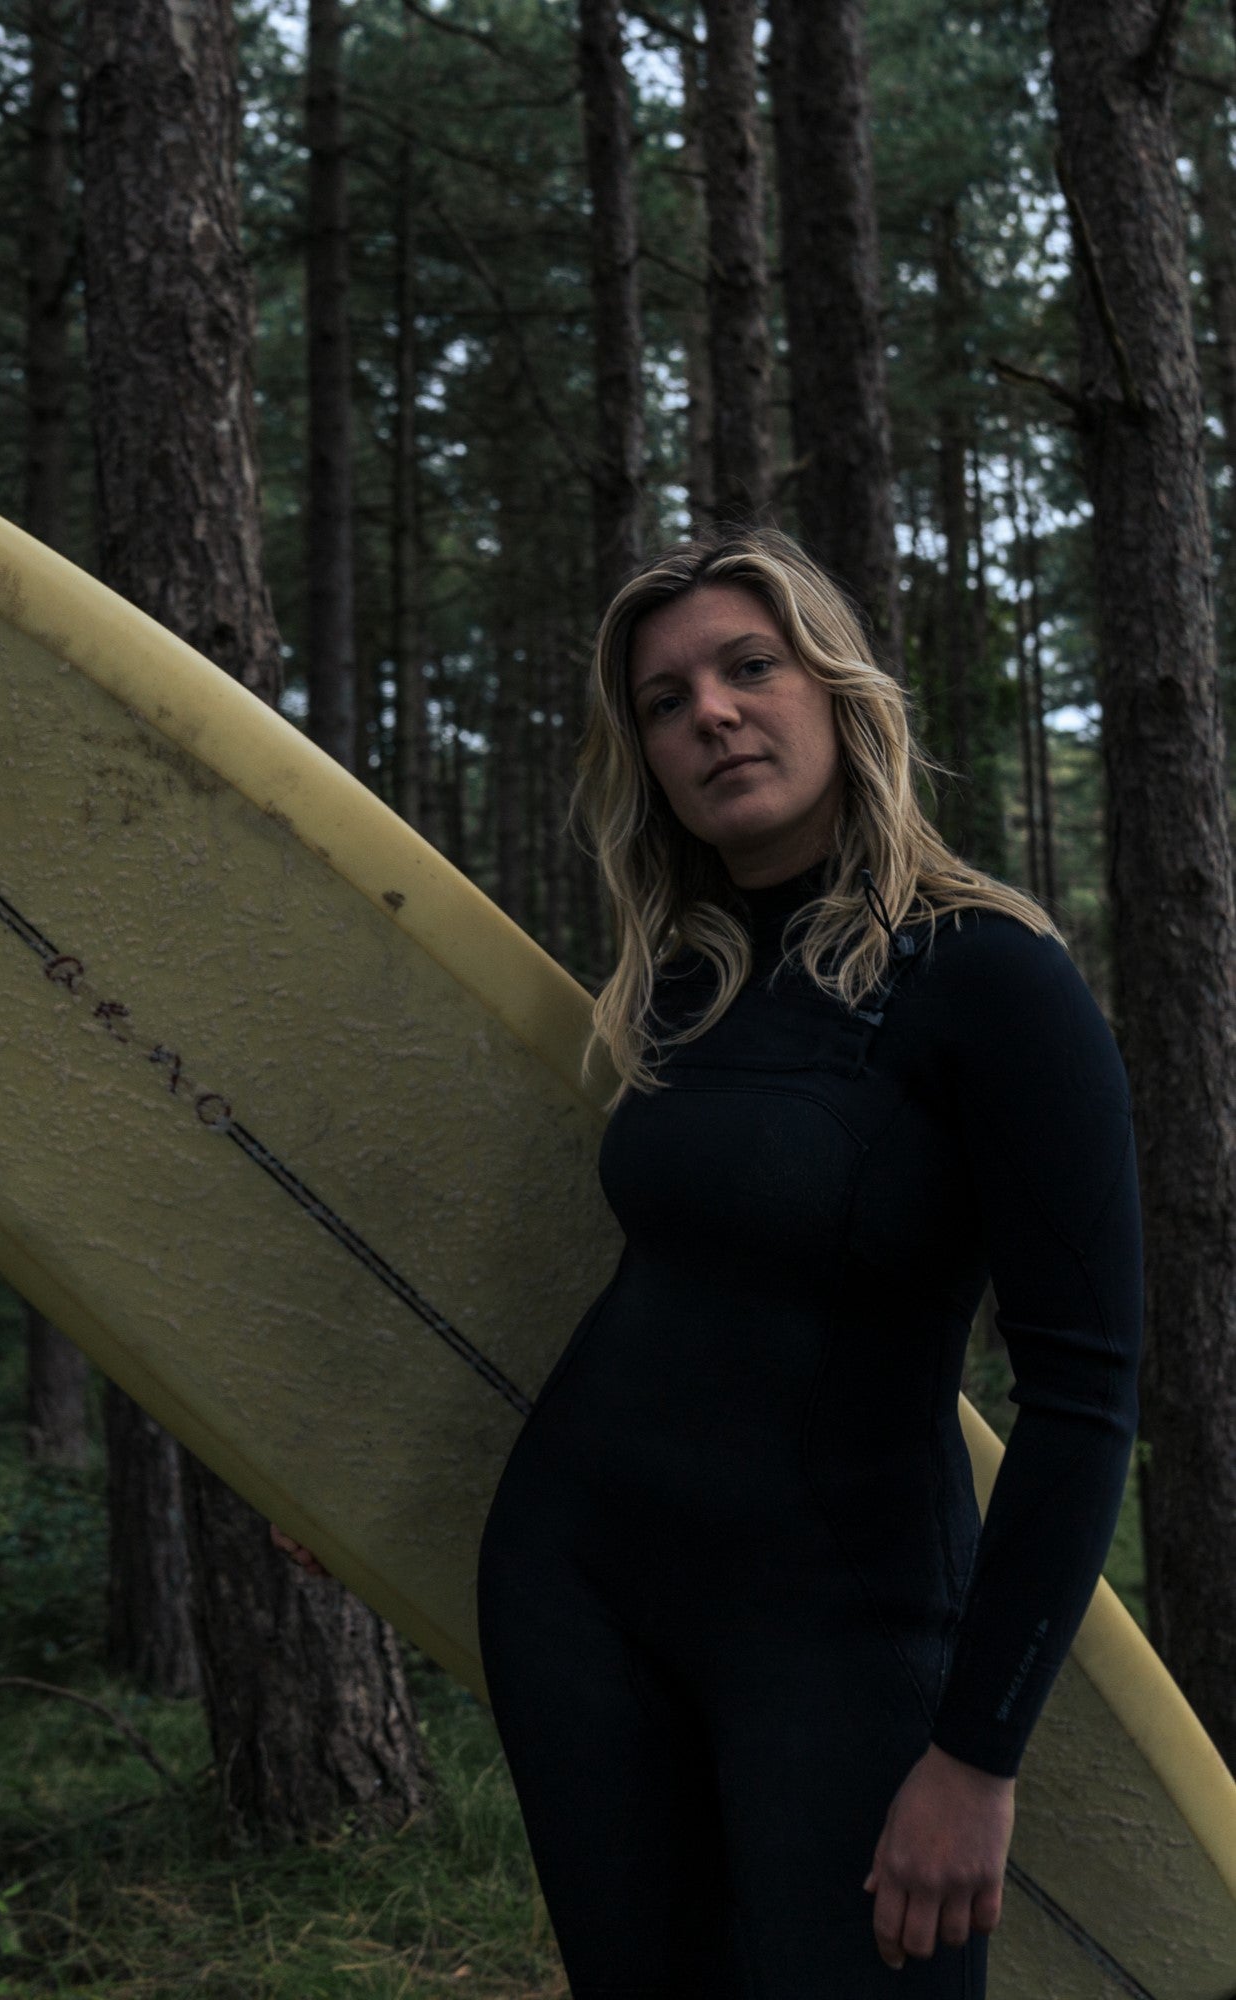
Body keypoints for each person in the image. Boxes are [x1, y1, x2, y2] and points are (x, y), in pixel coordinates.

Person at [468, 526, 1144, 1997]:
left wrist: (975, 1756)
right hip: (578, 1602)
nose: (708, 711)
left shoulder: (987, 976)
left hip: (842, 1641)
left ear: (835, 691)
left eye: (748, 667)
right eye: (663, 700)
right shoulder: (676, 989)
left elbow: (1084, 1400)